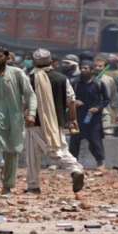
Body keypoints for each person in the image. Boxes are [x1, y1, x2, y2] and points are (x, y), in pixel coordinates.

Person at [0, 47, 36, 195]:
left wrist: (32, 114)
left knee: (11, 152)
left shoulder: (17, 74)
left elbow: (30, 95)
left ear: (7, 58)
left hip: (13, 118)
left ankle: (8, 186)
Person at [25, 49, 85, 194]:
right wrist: (73, 119)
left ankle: (33, 186)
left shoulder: (29, 78)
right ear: (51, 62)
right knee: (59, 147)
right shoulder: (62, 79)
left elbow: (23, 101)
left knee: (37, 154)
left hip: (34, 123)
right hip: (56, 122)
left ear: (34, 63)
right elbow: (71, 101)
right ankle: (75, 169)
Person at [69, 62, 109, 168]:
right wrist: (74, 101)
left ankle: (100, 162)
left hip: (93, 118)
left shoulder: (99, 84)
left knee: (95, 140)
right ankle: (73, 162)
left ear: (91, 71)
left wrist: (98, 108)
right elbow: (68, 97)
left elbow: (106, 100)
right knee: (74, 141)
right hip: (78, 116)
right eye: (82, 68)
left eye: (85, 68)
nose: (83, 70)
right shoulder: (75, 84)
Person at [94, 56, 118, 136]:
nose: (97, 68)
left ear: (105, 67)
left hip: (106, 112)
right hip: (92, 111)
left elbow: (113, 98)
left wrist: (116, 113)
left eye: (100, 66)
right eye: (95, 66)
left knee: (107, 133)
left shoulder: (109, 80)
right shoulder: (88, 79)